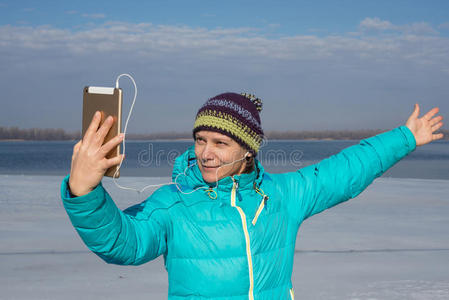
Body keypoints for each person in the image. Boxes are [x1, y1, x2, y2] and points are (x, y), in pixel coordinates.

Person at [61, 92, 444, 300]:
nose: (205, 152)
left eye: (219, 142)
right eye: (200, 140)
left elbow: (343, 172)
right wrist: (85, 191)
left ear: (248, 149)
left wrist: (405, 137)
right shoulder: (173, 202)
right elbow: (123, 243)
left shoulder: (281, 196)